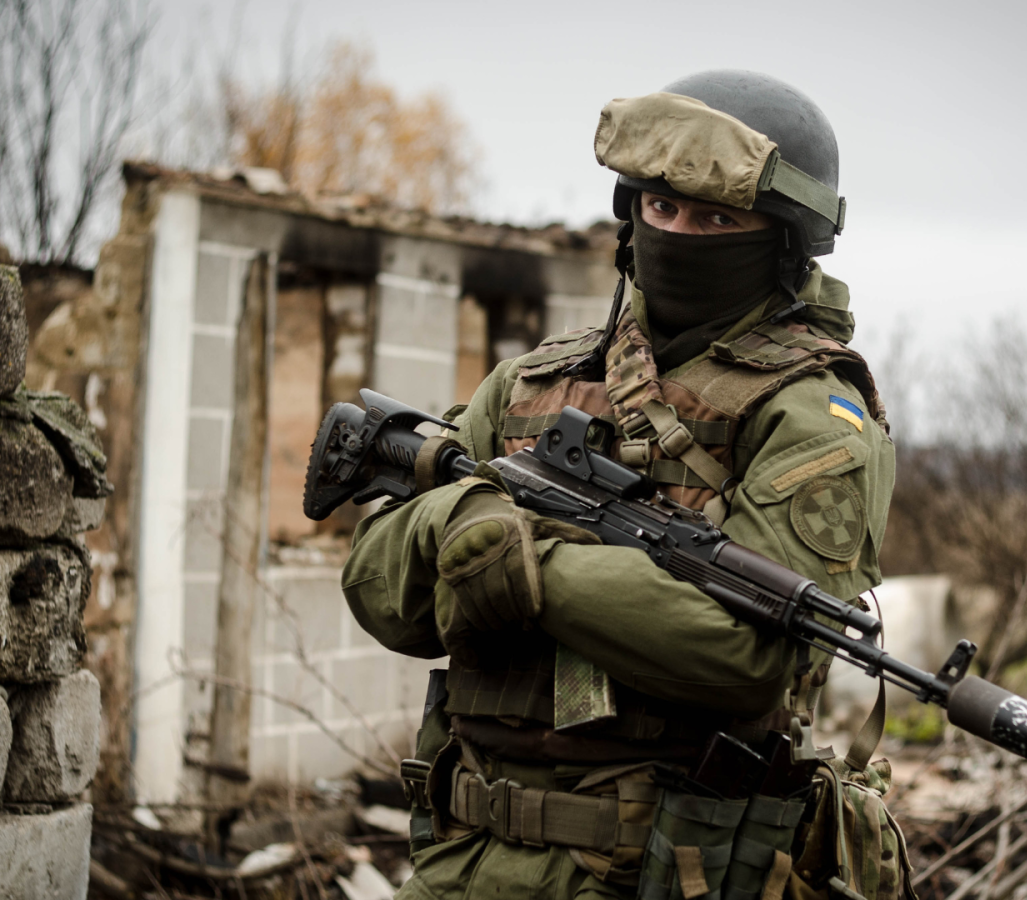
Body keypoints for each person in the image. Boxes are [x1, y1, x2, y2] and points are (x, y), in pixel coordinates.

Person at [340, 69, 897, 899]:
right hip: (461, 860)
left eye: (715, 217)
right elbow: (379, 591)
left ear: (781, 240)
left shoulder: (815, 415)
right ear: (628, 212)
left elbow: (743, 655)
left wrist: (530, 565)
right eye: (660, 207)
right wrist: (454, 520)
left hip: (670, 869)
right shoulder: (531, 383)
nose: (677, 233)